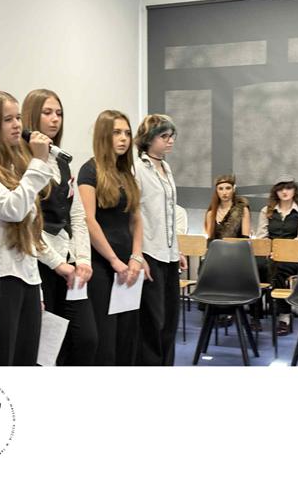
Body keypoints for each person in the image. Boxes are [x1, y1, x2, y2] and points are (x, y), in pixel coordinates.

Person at [0, 90, 65, 366]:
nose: (17, 125)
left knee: (27, 360)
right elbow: (12, 210)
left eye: (18, 118)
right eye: (7, 119)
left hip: (28, 279)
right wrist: (38, 162)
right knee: (3, 360)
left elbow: (29, 232)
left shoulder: (15, 166)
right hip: (2, 279)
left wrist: (37, 289)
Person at [22, 88, 97, 365]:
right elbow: (26, 226)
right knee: (47, 350)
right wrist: (57, 263)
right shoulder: (23, 162)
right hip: (40, 264)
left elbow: (77, 215)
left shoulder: (63, 161)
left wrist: (83, 259)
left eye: (59, 113)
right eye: (47, 113)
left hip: (69, 261)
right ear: (32, 116)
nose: (55, 119)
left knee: (86, 339)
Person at [78, 109, 146, 366]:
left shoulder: (127, 173)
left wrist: (136, 257)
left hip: (128, 265)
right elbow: (89, 220)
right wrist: (114, 261)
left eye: (127, 133)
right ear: (104, 135)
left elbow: (136, 219)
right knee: (105, 340)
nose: (124, 138)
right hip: (102, 265)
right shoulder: (89, 171)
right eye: (117, 132)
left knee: (127, 338)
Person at [134, 114, 187, 366]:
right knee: (152, 322)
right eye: (164, 136)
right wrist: (138, 254)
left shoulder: (166, 168)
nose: (170, 141)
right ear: (148, 138)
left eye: (171, 136)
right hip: (149, 253)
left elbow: (168, 214)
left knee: (170, 321)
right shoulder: (137, 168)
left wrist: (178, 249)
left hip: (169, 254)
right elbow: (135, 214)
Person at [256, 175, 298, 335]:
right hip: (268, 254)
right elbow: (261, 237)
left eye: (288, 188)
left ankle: (284, 316)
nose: (284, 192)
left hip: (292, 256)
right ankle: (255, 315)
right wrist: (270, 251)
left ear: (295, 190)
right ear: (276, 192)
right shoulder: (266, 211)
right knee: (255, 266)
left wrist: (281, 252)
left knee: (280, 268)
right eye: (280, 189)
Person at [204, 174, 250, 240]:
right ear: (216, 191)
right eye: (220, 189)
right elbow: (210, 239)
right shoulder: (211, 213)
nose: (224, 192)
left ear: (233, 189)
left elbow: (245, 239)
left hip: (237, 246)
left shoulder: (243, 210)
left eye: (228, 188)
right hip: (215, 246)